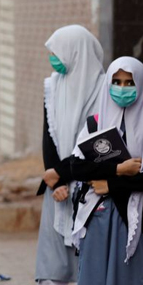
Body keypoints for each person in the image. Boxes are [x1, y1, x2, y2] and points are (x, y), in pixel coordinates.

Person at [34, 25, 104, 285]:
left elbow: (99, 144)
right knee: (53, 267)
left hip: (91, 185)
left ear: (76, 53)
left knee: (87, 261)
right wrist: (58, 180)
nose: (53, 59)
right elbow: (48, 138)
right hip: (58, 188)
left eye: (57, 53)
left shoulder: (104, 90)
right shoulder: (52, 87)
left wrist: (63, 172)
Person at [71, 56, 143, 284]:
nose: (122, 89)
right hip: (99, 215)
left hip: (135, 217)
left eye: (129, 83)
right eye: (117, 82)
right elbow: (77, 166)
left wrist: (110, 183)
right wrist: (119, 169)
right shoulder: (95, 124)